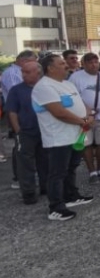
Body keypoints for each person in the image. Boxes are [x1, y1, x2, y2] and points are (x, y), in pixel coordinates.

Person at [33, 54, 95, 221]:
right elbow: (58, 112)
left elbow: (83, 104)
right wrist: (83, 121)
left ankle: (71, 196)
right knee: (57, 173)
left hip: (77, 135)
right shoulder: (44, 86)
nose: (66, 65)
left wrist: (90, 115)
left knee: (72, 166)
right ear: (50, 68)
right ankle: (56, 207)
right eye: (61, 63)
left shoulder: (67, 84)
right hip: (58, 138)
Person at [69, 52, 100, 184]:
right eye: (90, 62)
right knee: (86, 144)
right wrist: (87, 111)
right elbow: (73, 96)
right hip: (84, 119)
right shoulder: (75, 77)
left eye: (96, 62)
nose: (94, 65)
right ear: (84, 64)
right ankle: (92, 172)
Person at [6, 61, 48, 205]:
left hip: (45, 130)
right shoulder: (16, 90)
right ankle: (29, 193)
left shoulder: (46, 87)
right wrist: (18, 131)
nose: (23, 74)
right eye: (23, 72)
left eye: (27, 72)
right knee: (25, 164)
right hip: (26, 132)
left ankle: (46, 187)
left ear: (38, 72)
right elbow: (12, 111)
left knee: (45, 161)